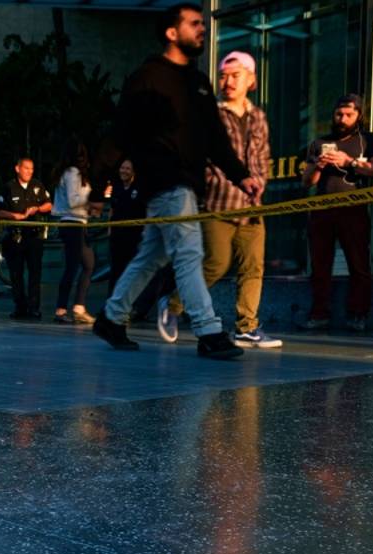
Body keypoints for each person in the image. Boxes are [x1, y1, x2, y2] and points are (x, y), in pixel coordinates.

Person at [90, 2, 261, 360]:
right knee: (189, 254)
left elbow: (215, 137)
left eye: (203, 23)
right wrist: (97, 187)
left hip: (186, 183)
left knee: (151, 255)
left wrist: (241, 175)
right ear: (172, 32)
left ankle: (111, 317)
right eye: (194, 24)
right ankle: (209, 330)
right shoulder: (148, 77)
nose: (202, 29)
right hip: (167, 181)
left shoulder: (198, 83)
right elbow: (120, 132)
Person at [158, 51, 279, 348]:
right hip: (219, 203)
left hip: (252, 206)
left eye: (235, 75)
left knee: (253, 268)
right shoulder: (212, 115)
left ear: (251, 80)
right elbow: (210, 157)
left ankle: (246, 327)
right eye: (223, 76)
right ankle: (172, 305)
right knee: (216, 263)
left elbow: (262, 159)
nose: (227, 81)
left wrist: (259, 184)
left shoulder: (259, 117)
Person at [299, 94, 373, 332]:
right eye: (339, 114)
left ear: (360, 115)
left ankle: (358, 314)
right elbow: (307, 182)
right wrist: (318, 165)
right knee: (319, 266)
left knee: (358, 263)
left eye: (349, 114)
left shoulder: (369, 140)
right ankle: (319, 314)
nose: (343, 118)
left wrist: (349, 162)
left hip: (353, 209)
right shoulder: (319, 142)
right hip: (322, 210)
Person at [0, 156, 52, 320]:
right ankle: (20, 307)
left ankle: (34, 308)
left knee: (35, 273)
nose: (29, 171)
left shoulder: (37, 185)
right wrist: (16, 216)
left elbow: (49, 204)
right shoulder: (9, 187)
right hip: (16, 236)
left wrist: (38, 208)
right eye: (26, 168)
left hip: (34, 235)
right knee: (16, 273)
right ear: (17, 168)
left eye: (31, 169)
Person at [52, 139, 97, 324]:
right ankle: (61, 310)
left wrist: (90, 208)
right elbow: (72, 200)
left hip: (77, 223)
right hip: (72, 225)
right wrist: (92, 199)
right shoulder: (72, 172)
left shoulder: (72, 173)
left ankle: (78, 307)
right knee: (73, 267)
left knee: (88, 264)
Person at [106, 159, 147, 296]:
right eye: (122, 168)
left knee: (133, 270)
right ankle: (111, 302)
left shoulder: (139, 188)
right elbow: (112, 209)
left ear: (133, 171)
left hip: (134, 236)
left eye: (127, 168)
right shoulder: (116, 187)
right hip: (117, 236)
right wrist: (109, 229)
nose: (123, 171)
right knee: (116, 270)